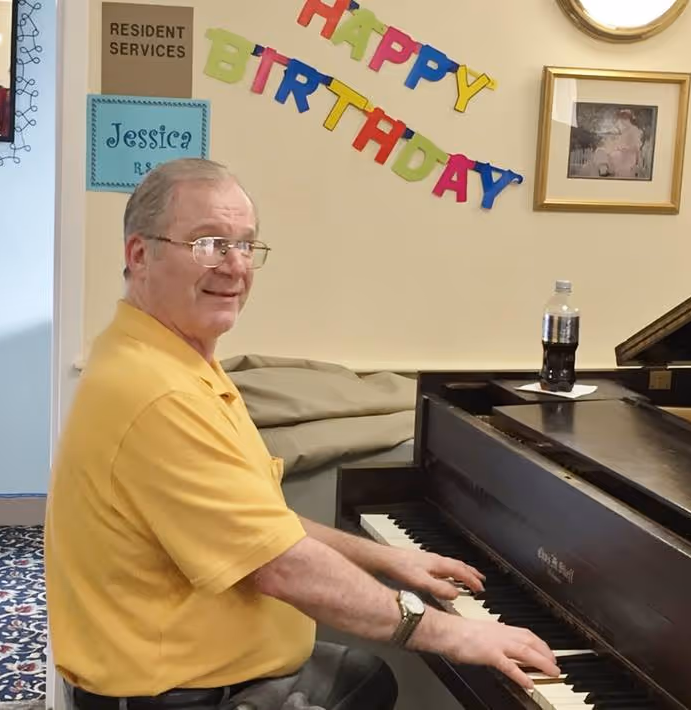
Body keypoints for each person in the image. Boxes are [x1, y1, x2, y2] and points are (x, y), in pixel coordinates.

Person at [44, 158, 559, 710]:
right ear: (140, 254)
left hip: (210, 673)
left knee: (369, 678)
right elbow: (281, 566)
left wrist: (386, 559)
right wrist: (455, 634)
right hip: (178, 695)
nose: (235, 266)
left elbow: (259, 523)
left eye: (246, 245)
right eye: (209, 243)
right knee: (371, 679)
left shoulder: (170, 358)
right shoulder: (157, 392)